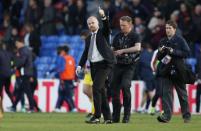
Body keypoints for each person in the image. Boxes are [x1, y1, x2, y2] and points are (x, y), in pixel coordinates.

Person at [76, 7, 116, 124]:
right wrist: (79, 66)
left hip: (105, 65)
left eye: (93, 22)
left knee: (96, 88)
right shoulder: (88, 38)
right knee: (102, 92)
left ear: (97, 23)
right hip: (94, 66)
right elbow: (85, 53)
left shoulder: (103, 33)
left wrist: (103, 16)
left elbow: (107, 27)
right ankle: (108, 118)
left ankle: (97, 116)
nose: (91, 25)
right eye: (89, 24)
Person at [156, 20, 191, 123]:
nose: (167, 30)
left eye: (169, 28)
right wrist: (160, 52)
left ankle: (186, 116)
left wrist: (173, 51)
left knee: (182, 94)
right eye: (166, 28)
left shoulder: (180, 40)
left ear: (174, 29)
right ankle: (166, 116)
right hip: (166, 70)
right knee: (166, 94)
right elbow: (159, 58)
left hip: (178, 70)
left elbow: (187, 53)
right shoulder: (163, 41)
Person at [111, 16, 141, 123]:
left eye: (124, 25)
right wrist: (110, 52)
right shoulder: (118, 36)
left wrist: (122, 51)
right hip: (117, 65)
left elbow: (137, 48)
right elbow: (113, 49)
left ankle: (127, 115)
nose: (122, 27)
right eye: (121, 25)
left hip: (129, 66)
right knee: (114, 91)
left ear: (130, 25)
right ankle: (115, 116)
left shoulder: (135, 36)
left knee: (125, 86)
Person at [54, 45, 76, 112]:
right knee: (65, 94)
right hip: (70, 79)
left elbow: (61, 69)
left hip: (64, 79)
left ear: (63, 51)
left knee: (64, 94)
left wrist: (58, 77)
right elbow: (74, 69)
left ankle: (73, 108)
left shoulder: (62, 58)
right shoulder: (71, 58)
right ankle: (58, 108)